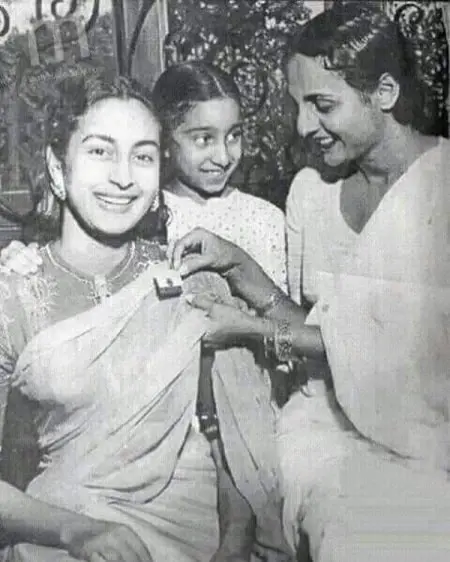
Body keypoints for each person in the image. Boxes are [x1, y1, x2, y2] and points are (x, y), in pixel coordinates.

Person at [168, 4, 450, 562]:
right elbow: (322, 334)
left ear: (386, 92)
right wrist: (239, 267)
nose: (302, 127)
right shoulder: (310, 193)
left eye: (323, 105)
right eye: (298, 106)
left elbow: (419, 359)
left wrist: (249, 329)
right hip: (332, 427)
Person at [0, 68, 289, 562]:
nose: (122, 176)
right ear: (56, 166)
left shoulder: (190, 277)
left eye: (143, 156)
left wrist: (238, 530)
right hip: (62, 529)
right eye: (99, 151)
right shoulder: (13, 295)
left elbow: (229, 447)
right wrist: (77, 533)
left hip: (200, 525)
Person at [152, 60, 287, 292]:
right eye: (204, 139)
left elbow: (284, 322)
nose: (224, 158)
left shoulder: (264, 219)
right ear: (164, 140)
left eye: (234, 135)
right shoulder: (147, 213)